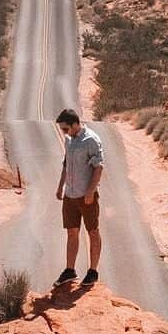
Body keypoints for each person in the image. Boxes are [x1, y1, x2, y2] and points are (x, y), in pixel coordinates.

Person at [54, 108, 103, 287]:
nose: (64, 132)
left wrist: (91, 191)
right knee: (72, 231)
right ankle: (70, 270)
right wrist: (60, 186)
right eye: (62, 129)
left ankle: (93, 271)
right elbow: (66, 164)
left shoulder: (91, 140)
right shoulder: (69, 140)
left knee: (93, 231)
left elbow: (98, 167)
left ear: (75, 124)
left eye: (66, 128)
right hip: (70, 194)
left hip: (86, 195)